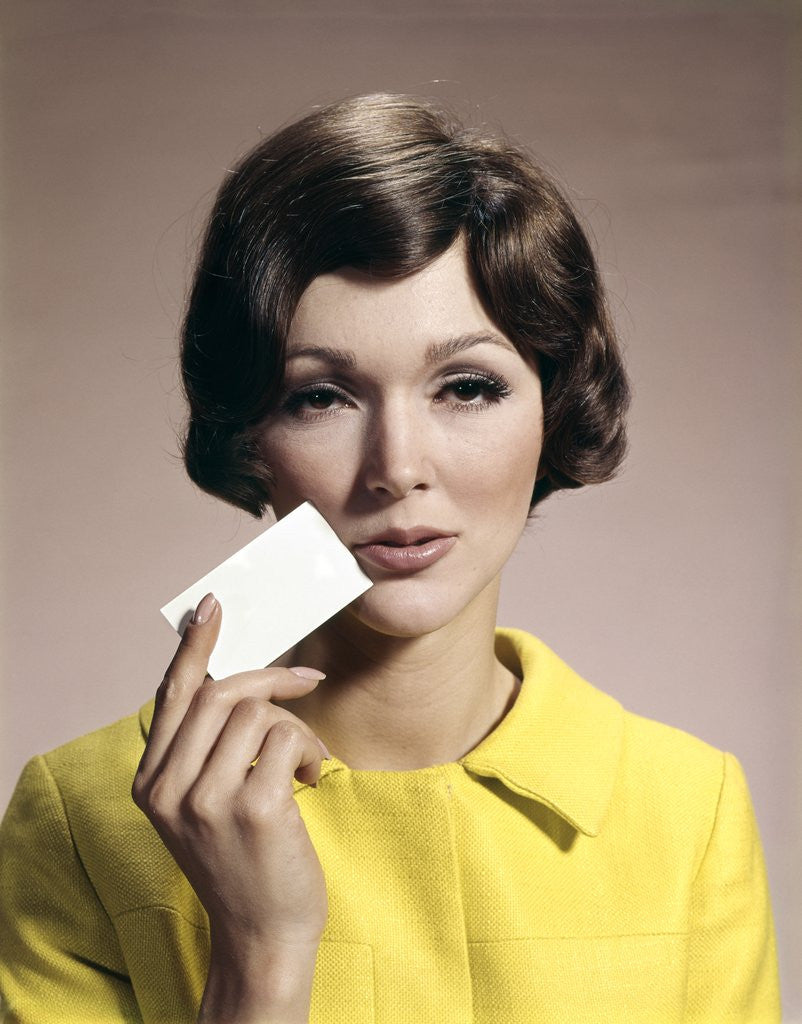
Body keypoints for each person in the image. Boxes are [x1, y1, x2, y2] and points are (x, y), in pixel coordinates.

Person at [0, 94, 780, 1024]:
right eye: (320, 397)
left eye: (467, 387)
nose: (398, 469)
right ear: (249, 435)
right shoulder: (85, 816)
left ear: (553, 410)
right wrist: (261, 958)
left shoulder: (689, 811)